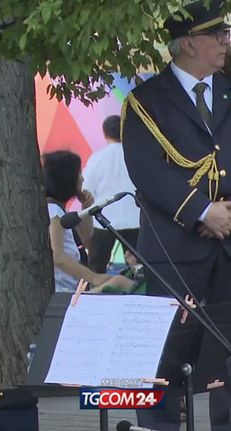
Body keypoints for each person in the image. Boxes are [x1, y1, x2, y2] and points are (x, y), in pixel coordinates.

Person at [122, 1, 231, 429]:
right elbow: (148, 171)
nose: (225, 41)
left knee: (227, 350)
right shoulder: (147, 101)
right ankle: (159, 426)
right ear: (188, 43)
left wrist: (225, 215)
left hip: (227, 242)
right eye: (217, 34)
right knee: (164, 351)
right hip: (174, 246)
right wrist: (203, 212)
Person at [42, 151, 133, 293]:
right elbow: (57, 256)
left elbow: (85, 238)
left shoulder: (58, 210)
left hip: (71, 288)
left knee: (121, 281)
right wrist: (94, 277)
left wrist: (86, 208)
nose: (83, 179)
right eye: (79, 173)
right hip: (63, 292)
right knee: (121, 282)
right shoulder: (53, 211)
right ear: (67, 178)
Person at [82, 115, 140, 273]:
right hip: (135, 220)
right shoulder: (136, 155)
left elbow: (86, 188)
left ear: (105, 133)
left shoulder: (98, 158)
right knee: (139, 268)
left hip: (104, 220)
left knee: (96, 268)